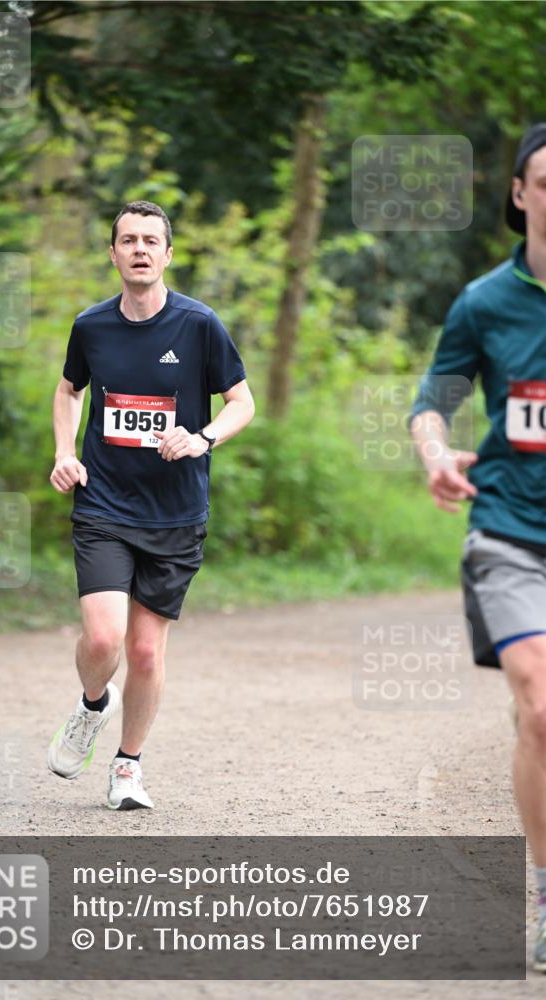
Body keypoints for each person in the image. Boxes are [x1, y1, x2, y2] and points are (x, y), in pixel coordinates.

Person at [47, 200, 254, 810]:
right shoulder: (91, 326)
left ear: (168, 254)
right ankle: (92, 706)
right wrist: (64, 452)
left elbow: (242, 402)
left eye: (150, 241)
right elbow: (69, 390)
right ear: (113, 254)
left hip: (175, 512)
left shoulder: (199, 324)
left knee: (143, 650)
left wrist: (202, 437)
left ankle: (127, 767)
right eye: (128, 240)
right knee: (103, 640)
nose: (139, 249)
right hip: (104, 504)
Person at [410, 123, 546, 973]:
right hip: (508, 531)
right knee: (541, 706)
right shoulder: (485, 302)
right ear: (520, 195)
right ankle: (544, 892)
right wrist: (433, 454)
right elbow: (433, 400)